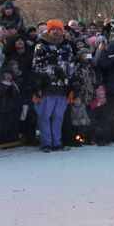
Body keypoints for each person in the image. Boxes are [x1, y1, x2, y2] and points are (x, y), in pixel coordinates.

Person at [32, 20, 76, 151]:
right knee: (45, 115)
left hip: (62, 86)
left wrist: (71, 81)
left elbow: (71, 64)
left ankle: (57, 141)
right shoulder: (41, 45)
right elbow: (36, 66)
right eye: (53, 29)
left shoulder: (66, 46)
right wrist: (38, 83)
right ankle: (46, 142)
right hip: (47, 86)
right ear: (49, 31)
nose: (55, 32)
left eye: (58, 29)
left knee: (58, 116)